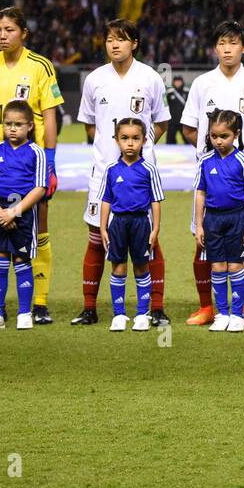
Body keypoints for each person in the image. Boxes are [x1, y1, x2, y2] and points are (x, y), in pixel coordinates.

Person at [0, 7, 63, 326]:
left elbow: (49, 114)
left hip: (29, 164)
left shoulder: (40, 66)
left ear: (24, 33)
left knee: (38, 230)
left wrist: (49, 158)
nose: (3, 35)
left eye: (9, 29)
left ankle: (39, 302)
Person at [72, 20, 170, 326]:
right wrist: (108, 151)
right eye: (110, 40)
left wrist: (142, 155)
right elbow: (91, 125)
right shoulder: (94, 80)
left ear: (135, 44)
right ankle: (90, 307)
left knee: (149, 240)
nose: (115, 45)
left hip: (141, 175)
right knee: (96, 239)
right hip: (104, 173)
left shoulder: (151, 78)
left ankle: (155, 308)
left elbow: (162, 123)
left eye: (122, 40)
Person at [180, 21, 244, 326]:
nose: (227, 49)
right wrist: (211, 158)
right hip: (210, 178)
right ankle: (207, 306)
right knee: (204, 240)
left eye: (233, 43)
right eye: (222, 43)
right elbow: (188, 127)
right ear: (215, 48)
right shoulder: (202, 84)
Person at [0, 100, 49, 330]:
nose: (13, 128)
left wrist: (15, 212)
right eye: (8, 124)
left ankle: (24, 313)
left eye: (18, 124)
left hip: (23, 213)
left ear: (29, 126)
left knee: (21, 259)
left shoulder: (37, 152)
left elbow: (40, 188)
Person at [193, 110, 244, 333]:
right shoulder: (204, 161)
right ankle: (221, 313)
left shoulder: (243, 160)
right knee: (217, 266)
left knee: (235, 266)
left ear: (236, 135)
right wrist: (199, 224)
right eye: (214, 136)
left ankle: (238, 315)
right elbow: (200, 193)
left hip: (237, 218)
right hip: (212, 219)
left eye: (224, 136)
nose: (219, 141)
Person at [95, 118, 165, 333]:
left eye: (135, 138)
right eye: (125, 138)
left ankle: (142, 314)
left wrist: (155, 229)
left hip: (140, 223)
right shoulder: (111, 170)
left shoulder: (148, 169)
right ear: (116, 140)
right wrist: (103, 227)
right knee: (118, 267)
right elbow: (106, 199)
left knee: (142, 267)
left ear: (144, 141)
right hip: (118, 224)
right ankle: (119, 315)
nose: (130, 143)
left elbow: (155, 200)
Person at [164, 76, 187, 144]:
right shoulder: (168, 93)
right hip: (172, 121)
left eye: (179, 81)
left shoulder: (187, 92)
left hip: (184, 121)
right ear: (173, 83)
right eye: (176, 82)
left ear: (182, 82)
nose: (178, 83)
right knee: (170, 141)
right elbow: (164, 105)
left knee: (188, 141)